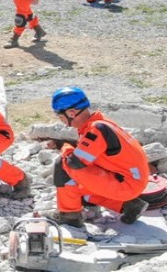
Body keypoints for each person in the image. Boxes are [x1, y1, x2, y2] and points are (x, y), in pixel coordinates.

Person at [43, 87, 149, 227]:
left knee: (62, 164)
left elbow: (74, 162)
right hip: (131, 180)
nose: (61, 120)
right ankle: (129, 205)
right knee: (77, 193)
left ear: (71, 113)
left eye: (60, 116)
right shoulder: (101, 122)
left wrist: (64, 147)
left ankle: (69, 216)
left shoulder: (95, 130)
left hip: (126, 185)